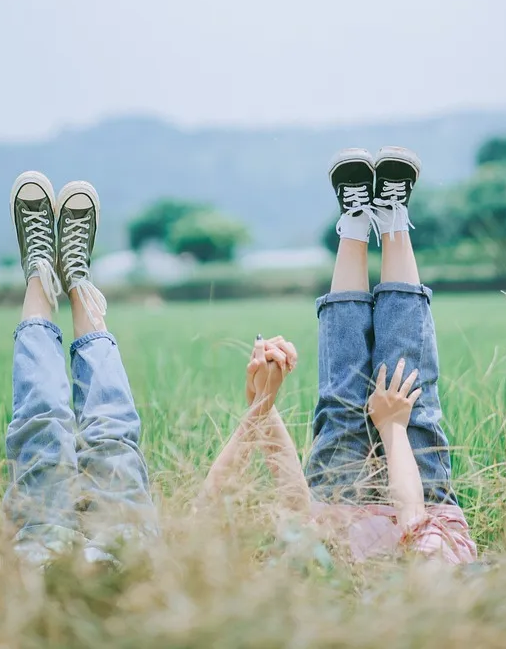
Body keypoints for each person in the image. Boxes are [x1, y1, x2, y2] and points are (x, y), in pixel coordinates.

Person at [200, 147, 477, 563]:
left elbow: (296, 506)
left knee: (343, 399)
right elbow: (415, 524)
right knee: (407, 382)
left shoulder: (317, 579)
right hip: (420, 494)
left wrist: (263, 406)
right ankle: (393, 219)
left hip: (338, 506)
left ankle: (354, 226)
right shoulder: (435, 584)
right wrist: (393, 428)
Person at [4, 171, 155, 565]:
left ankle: (40, 273)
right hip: (123, 549)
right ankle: (76, 279)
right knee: (112, 435)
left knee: (41, 424)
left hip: (42, 553)